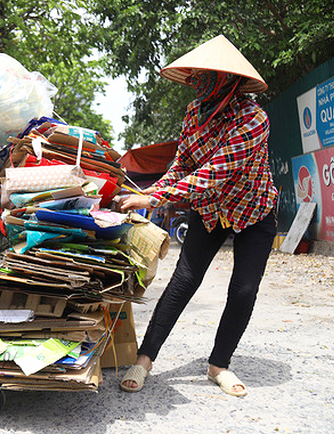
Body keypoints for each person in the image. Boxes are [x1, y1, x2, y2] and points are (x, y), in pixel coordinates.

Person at [119, 35, 278, 397]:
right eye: (196, 75)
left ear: (228, 80)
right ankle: (144, 360)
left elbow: (214, 173)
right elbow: (182, 166)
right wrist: (147, 193)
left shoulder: (253, 119)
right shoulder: (195, 112)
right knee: (183, 281)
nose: (197, 81)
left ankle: (219, 365)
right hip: (209, 211)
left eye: (207, 75)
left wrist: (153, 198)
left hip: (253, 210)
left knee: (244, 290)